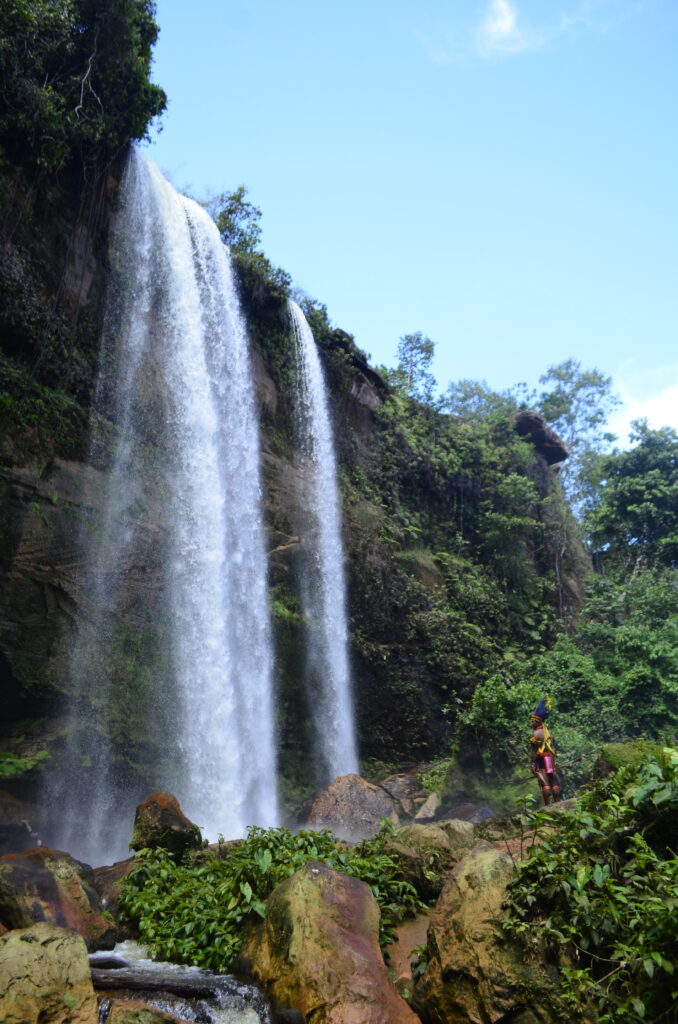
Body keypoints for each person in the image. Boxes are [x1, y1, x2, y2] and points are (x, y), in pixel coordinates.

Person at [530, 696, 562, 805]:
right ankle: (558, 803)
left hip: (541, 760)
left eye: (533, 721)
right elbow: (553, 747)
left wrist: (533, 763)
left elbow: (534, 750)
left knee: (544, 783)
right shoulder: (548, 732)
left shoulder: (536, 733)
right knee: (554, 782)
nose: (531, 723)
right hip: (550, 758)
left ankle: (547, 806)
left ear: (537, 722)